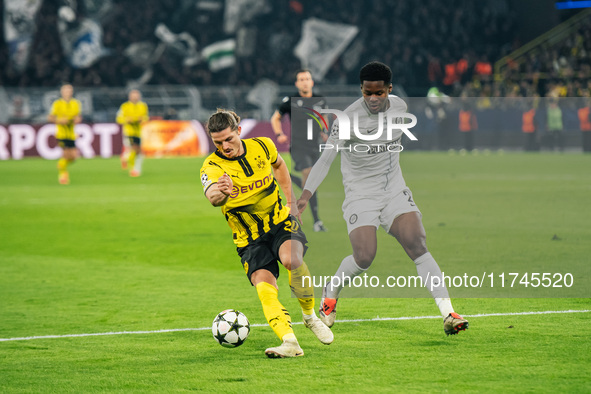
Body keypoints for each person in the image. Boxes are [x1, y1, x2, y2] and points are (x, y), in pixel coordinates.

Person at [297, 62, 469, 336]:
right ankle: (331, 292)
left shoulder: (400, 107)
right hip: (360, 194)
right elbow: (326, 159)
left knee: (417, 243)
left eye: (379, 93)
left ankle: (448, 312)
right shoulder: (348, 120)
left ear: (389, 89)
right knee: (364, 257)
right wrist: (305, 196)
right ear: (361, 90)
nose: (373, 99)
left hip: (393, 189)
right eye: (367, 93)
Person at [200, 109, 333, 358]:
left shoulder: (263, 145)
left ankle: (310, 316)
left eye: (228, 139)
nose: (224, 146)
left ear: (238, 131)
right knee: (264, 287)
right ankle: (290, 341)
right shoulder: (212, 166)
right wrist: (223, 192)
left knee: (292, 260)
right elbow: (212, 198)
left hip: (279, 221)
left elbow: (279, 165)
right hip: (248, 239)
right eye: (217, 142)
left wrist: (292, 202)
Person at [271, 69, 328, 232]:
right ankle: (317, 222)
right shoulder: (290, 100)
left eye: (307, 79)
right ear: (297, 83)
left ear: (312, 82)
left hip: (314, 147)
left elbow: (325, 118)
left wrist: (325, 131)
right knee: (308, 174)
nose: (304, 81)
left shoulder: (320, 100)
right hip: (298, 146)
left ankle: (286, 177)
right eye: (301, 79)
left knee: (311, 184)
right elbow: (275, 117)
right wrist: (279, 133)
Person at [48, 83, 82, 185]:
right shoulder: (57, 104)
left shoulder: (76, 103)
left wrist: (77, 120)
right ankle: (63, 175)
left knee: (73, 157)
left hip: (72, 134)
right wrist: (59, 120)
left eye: (70, 90)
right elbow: (50, 117)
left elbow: (78, 117)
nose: (68, 92)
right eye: (66, 90)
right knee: (66, 154)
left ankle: (61, 164)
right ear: (62, 92)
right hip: (61, 134)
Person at [117, 89, 149, 177]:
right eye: (133, 95)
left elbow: (146, 117)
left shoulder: (143, 106)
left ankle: (125, 158)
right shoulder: (125, 106)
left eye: (136, 95)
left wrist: (142, 119)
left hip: (139, 132)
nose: (135, 97)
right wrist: (127, 120)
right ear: (130, 97)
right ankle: (133, 170)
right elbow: (119, 118)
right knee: (134, 149)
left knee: (138, 152)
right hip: (129, 132)